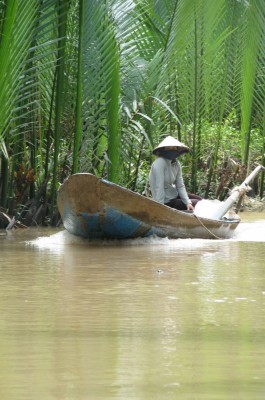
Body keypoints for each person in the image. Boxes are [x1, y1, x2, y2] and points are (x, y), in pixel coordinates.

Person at [149, 136, 202, 211]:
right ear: (163, 150)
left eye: (173, 148)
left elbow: (180, 186)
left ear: (178, 149)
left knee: (200, 200)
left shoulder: (176, 163)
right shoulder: (159, 163)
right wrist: (160, 208)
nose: (171, 150)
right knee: (197, 203)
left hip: (173, 194)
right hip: (166, 201)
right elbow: (159, 187)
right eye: (168, 148)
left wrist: (187, 203)